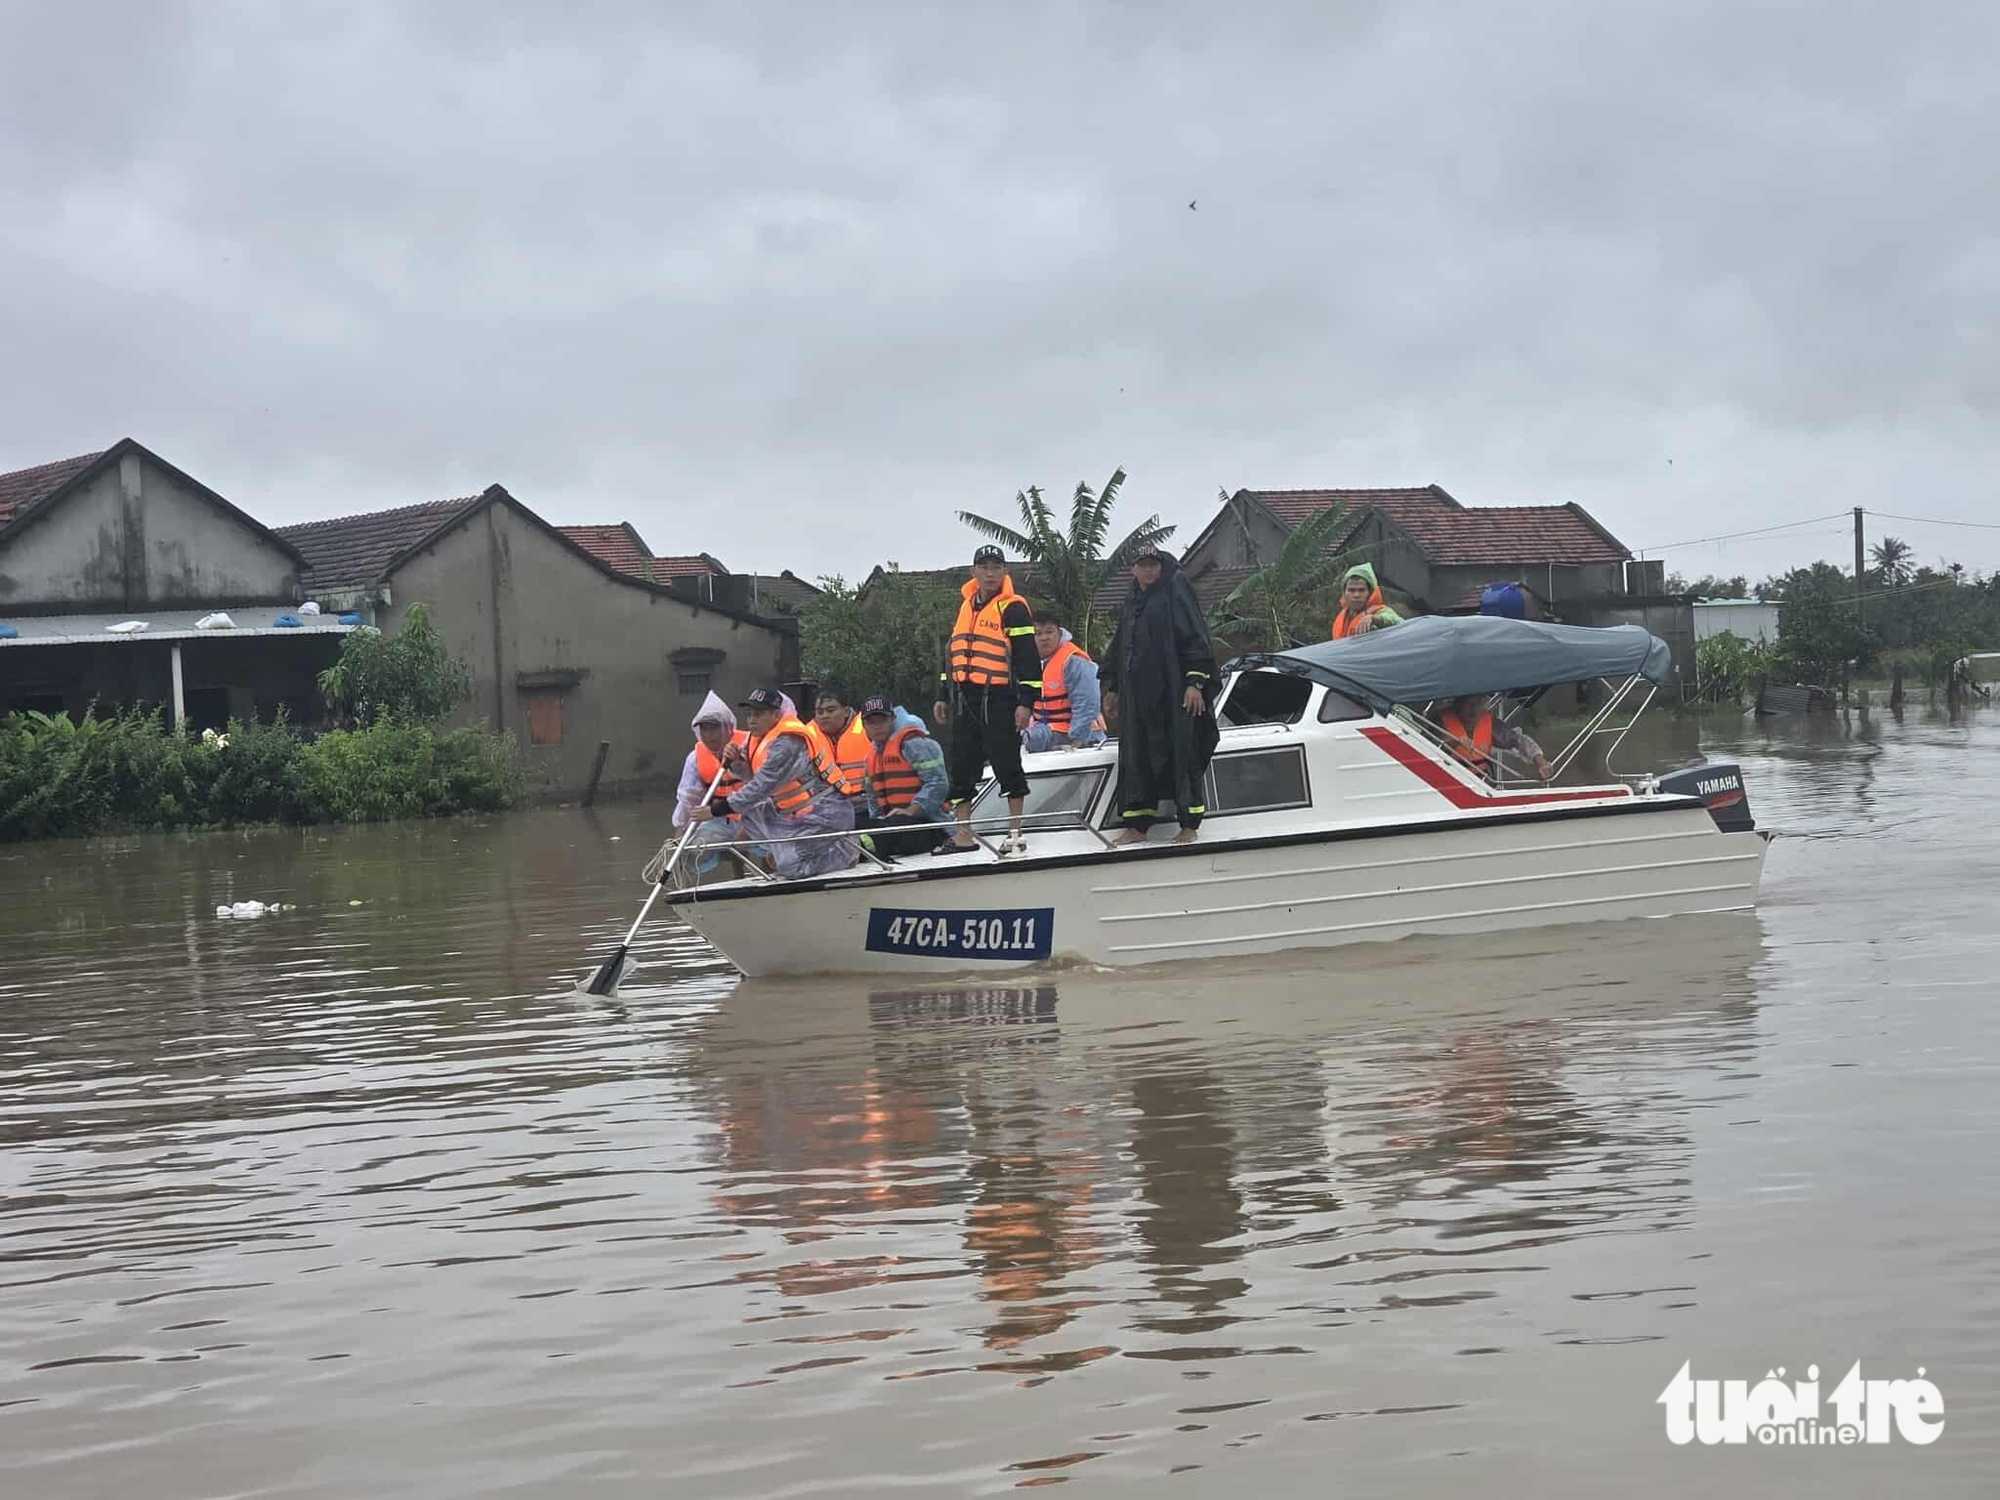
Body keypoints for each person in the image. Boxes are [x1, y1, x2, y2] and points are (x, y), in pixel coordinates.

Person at [1100, 542, 1219, 845]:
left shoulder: (1175, 590)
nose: (1149, 570)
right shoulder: (1132, 598)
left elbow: (1196, 636)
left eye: (1153, 565)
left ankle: (1189, 824)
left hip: (1173, 693)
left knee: (1182, 753)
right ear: (1133, 569)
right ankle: (1137, 826)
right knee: (1136, 758)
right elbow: (1122, 645)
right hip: (1137, 697)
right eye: (1143, 565)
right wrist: (1113, 688)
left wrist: (1195, 683)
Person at [933, 544, 1040, 855]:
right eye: (984, 567)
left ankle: (1015, 832)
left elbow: (1027, 659)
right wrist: (942, 694)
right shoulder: (966, 607)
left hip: (1000, 697)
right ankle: (964, 834)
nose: (990, 573)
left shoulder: (1014, 608)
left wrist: (1026, 703)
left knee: (1007, 763)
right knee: (961, 764)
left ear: (1004, 572)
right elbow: (952, 654)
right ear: (974, 572)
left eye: (996, 567)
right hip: (965, 698)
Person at [695, 686, 857, 878]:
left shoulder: (788, 742)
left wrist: (715, 810)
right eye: (749, 715)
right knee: (750, 815)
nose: (752, 720)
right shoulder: (757, 738)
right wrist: (737, 760)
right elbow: (749, 775)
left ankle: (845, 853)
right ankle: (783, 851)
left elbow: (761, 786)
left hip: (826, 813)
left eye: (758, 714)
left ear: (775, 714)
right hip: (794, 814)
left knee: (790, 867)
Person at [645, 691, 754, 885]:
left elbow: (765, 787)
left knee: (768, 843)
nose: (709, 735)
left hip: (755, 815)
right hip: (720, 820)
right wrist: (678, 839)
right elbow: (688, 801)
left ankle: (767, 876)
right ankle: (734, 868)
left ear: (727, 727)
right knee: (691, 851)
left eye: (714, 728)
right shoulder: (695, 758)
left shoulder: (749, 745)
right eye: (704, 729)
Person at [856, 694, 950, 858]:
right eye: (871, 722)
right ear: (864, 725)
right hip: (893, 827)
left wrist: (912, 810)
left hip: (928, 825)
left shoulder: (914, 743)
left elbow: (938, 783)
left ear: (892, 719)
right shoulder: (870, 757)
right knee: (854, 823)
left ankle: (863, 849)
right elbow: (873, 799)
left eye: (882, 720)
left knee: (890, 827)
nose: (877, 726)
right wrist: (876, 823)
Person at [1022, 610, 1106, 752]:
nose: (1044, 638)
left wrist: (1078, 740)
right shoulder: (1029, 663)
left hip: (1076, 736)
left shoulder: (1074, 661)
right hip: (1044, 732)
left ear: (1060, 634)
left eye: (1049, 632)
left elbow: (1086, 703)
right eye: (1038, 634)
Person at [1439, 694, 1554, 783]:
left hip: (1483, 786)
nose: (1474, 710)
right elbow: (1432, 745)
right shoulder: (1440, 722)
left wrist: (1540, 761)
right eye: (1469, 704)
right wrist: (1453, 742)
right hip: (1449, 787)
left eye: (1479, 703)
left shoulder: (1489, 723)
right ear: (1457, 704)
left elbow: (1517, 740)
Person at [804, 686, 871, 799]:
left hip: (867, 800)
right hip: (826, 803)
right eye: (820, 712)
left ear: (846, 711)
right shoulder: (806, 736)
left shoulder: (868, 727)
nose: (825, 716)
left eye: (830, 710)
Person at [1330, 562, 1402, 639]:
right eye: (1351, 590)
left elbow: (1399, 622)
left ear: (1370, 593)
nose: (1356, 595)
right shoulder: (1343, 616)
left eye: (1361, 590)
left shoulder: (1379, 612)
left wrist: (1374, 619)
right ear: (1344, 593)